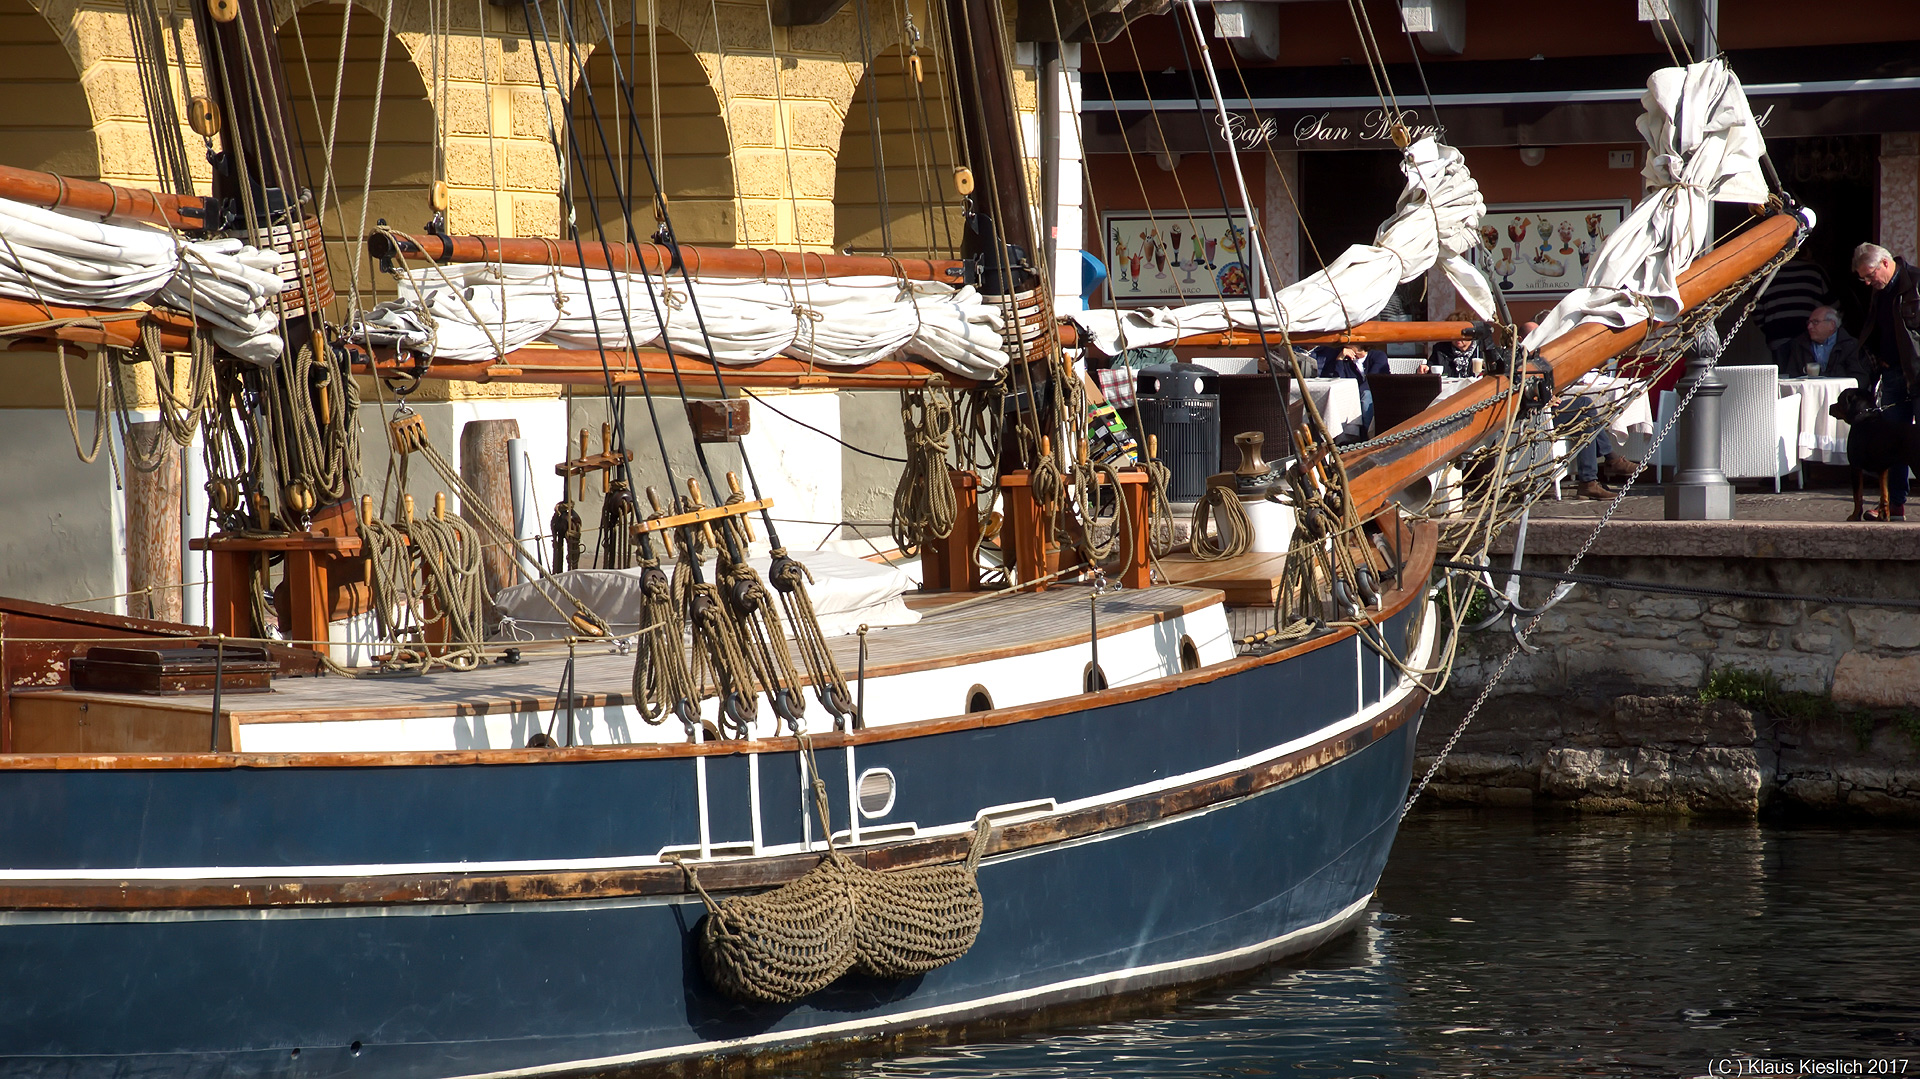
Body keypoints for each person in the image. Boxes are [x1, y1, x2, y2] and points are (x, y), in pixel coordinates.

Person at [1853, 242, 1920, 520]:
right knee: (1892, 443)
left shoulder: (1916, 282)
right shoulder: (1879, 292)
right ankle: (1892, 506)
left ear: (1885, 262)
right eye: (1863, 279)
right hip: (1891, 373)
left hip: (1918, 373)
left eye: (1870, 275)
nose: (1869, 282)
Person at [1755, 252, 1833, 353]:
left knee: (1783, 369)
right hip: (1811, 338)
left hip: (1778, 339)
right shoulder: (1815, 271)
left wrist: (1771, 331)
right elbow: (1833, 308)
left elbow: (1756, 311)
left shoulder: (1768, 274)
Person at [1773, 306, 1864, 383]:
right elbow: (1791, 376)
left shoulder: (1851, 345)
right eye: (1809, 323)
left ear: (1832, 324)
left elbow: (1859, 378)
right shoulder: (1799, 345)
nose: (1809, 327)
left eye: (1815, 322)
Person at [1313, 343, 1389, 433]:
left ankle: (1370, 434)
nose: (1345, 344)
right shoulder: (1346, 359)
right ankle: (1345, 436)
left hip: (1377, 392)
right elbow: (1338, 380)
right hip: (1352, 393)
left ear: (1360, 344)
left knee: (1366, 396)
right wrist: (1340, 359)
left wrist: (1355, 392)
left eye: (1349, 342)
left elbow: (1373, 380)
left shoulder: (1378, 356)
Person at [1422, 310, 1482, 377]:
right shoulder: (1441, 350)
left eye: (1461, 333)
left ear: (1471, 333)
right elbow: (1431, 367)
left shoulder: (1481, 349)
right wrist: (1425, 369)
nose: (1457, 337)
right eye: (1453, 333)